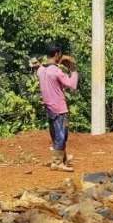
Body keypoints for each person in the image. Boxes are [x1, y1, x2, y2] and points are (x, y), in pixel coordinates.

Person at [37, 44, 79, 172]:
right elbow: (72, 85)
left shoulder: (41, 70)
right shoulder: (56, 71)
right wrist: (73, 69)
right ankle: (57, 163)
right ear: (56, 54)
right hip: (59, 108)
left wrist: (59, 63)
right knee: (62, 135)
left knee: (56, 134)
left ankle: (63, 158)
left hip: (49, 107)